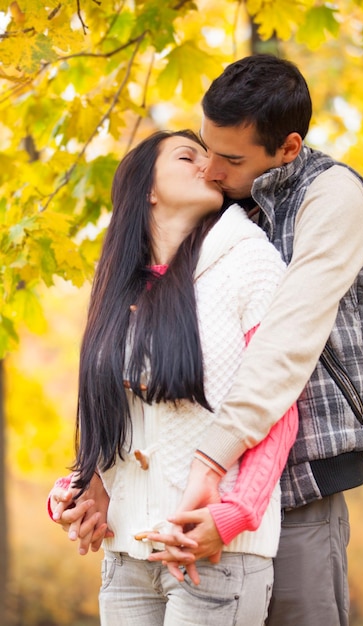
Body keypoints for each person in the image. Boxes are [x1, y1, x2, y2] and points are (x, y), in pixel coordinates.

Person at [51, 54, 363, 625]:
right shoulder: (222, 207)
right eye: (204, 148)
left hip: (302, 476)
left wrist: (212, 470)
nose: (211, 169)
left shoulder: (331, 198)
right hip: (208, 486)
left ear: (288, 148)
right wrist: (99, 478)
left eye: (228, 158)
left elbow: (287, 345)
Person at [48, 128, 299, 626]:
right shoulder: (118, 292)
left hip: (214, 555)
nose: (207, 166)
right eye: (189, 156)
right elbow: (115, 420)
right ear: (148, 189)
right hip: (125, 560)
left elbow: (280, 408)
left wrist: (234, 516)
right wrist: (75, 494)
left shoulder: (250, 261)